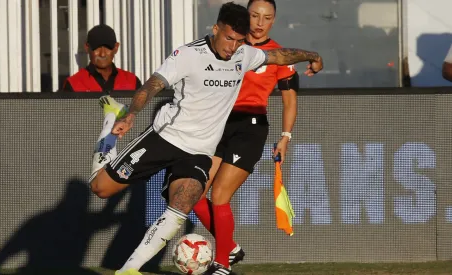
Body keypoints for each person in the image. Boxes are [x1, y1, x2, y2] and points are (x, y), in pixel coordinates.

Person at [89, 2, 323, 275]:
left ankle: (130, 270)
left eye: (238, 41)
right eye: (227, 38)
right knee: (100, 189)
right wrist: (129, 115)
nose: (232, 47)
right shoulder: (187, 55)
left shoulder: (244, 55)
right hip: (166, 137)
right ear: (215, 29)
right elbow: (152, 85)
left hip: (199, 150)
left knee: (182, 204)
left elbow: (280, 56)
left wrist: (312, 55)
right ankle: (109, 119)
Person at [192, 0, 301, 273]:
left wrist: (285, 136)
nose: (260, 23)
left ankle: (222, 265)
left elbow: (290, 100)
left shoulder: (279, 55)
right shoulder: (230, 46)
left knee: (219, 195)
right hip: (217, 124)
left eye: (267, 17)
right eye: (254, 15)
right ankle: (230, 247)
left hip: (250, 128)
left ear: (273, 20)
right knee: (192, 193)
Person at [62, 24, 142, 92]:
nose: (102, 54)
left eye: (108, 47)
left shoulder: (133, 82)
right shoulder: (73, 84)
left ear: (116, 48)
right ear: (87, 48)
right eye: (97, 47)